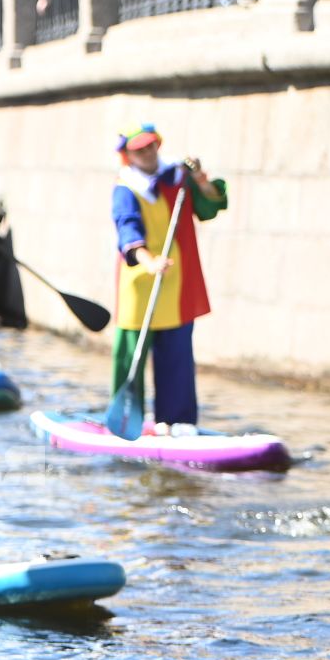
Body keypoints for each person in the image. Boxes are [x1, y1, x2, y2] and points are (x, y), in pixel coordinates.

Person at [109, 124, 228, 430]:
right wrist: (148, 261)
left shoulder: (179, 178)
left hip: (175, 285)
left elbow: (210, 207)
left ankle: (177, 423)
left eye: (150, 147)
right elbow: (127, 229)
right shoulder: (126, 188)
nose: (147, 153)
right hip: (139, 284)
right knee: (129, 359)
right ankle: (126, 420)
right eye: (139, 149)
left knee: (177, 363)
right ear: (128, 155)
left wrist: (200, 178)